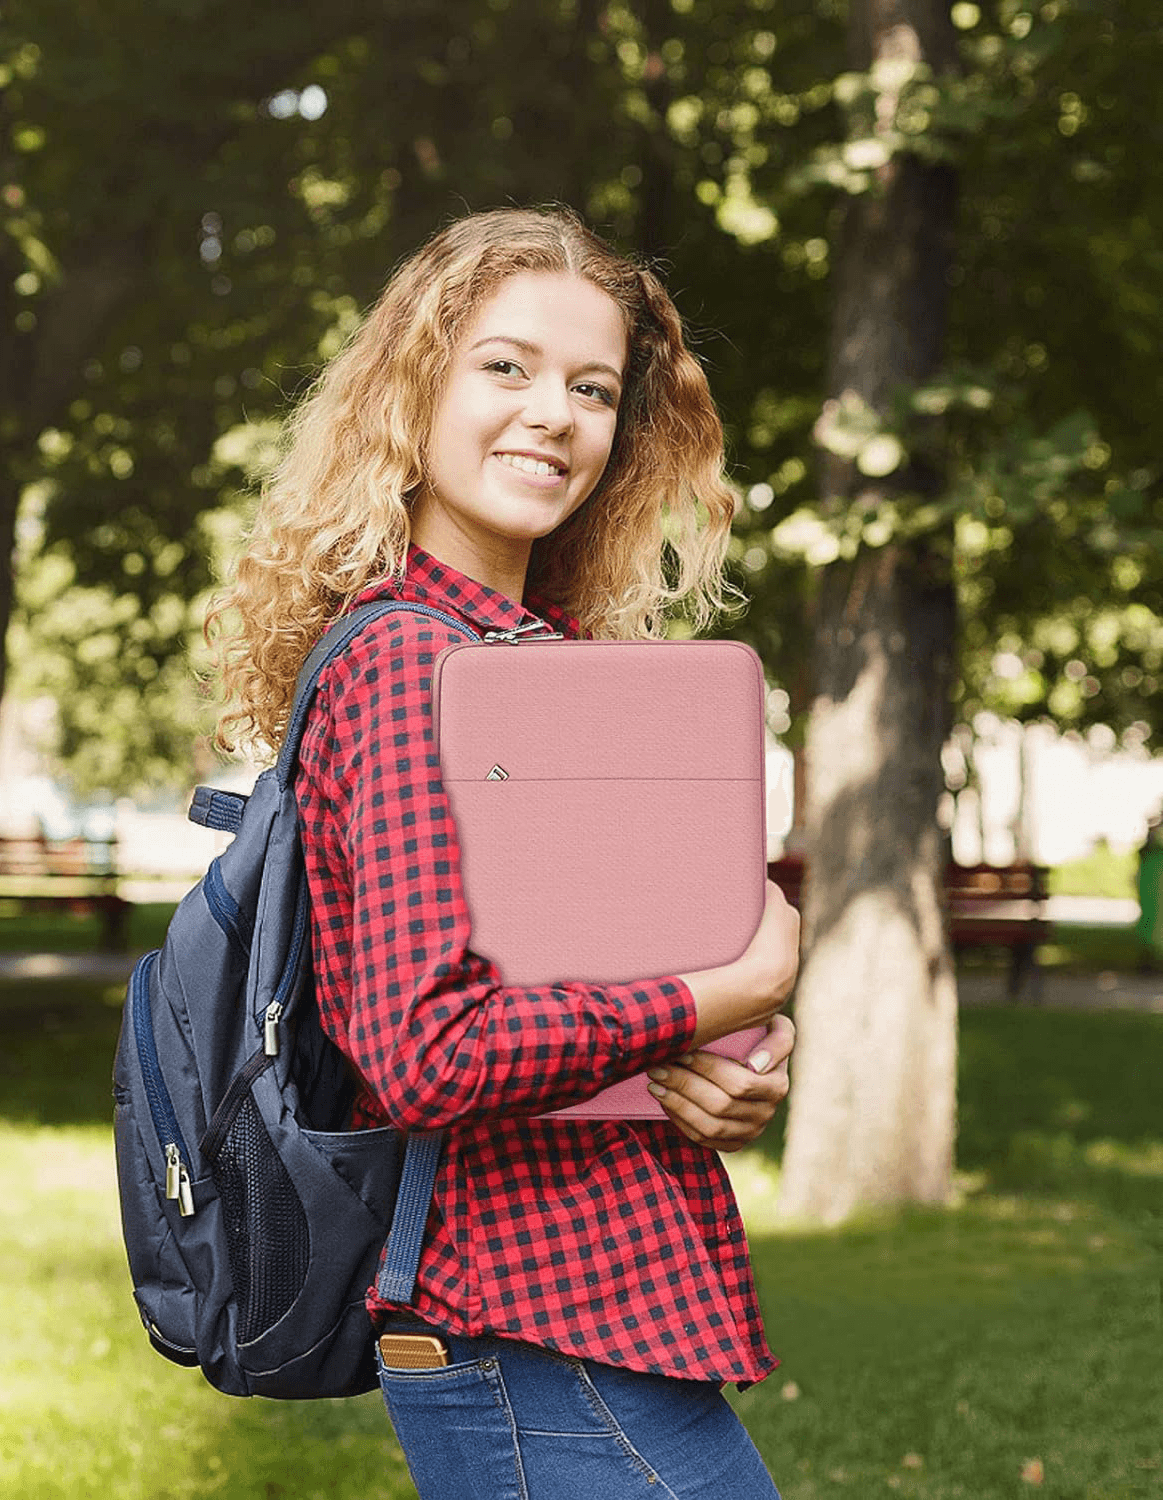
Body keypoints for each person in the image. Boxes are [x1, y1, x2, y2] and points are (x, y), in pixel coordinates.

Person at [207, 206, 801, 1499]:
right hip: (525, 1312)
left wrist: (726, 1062)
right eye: (508, 367)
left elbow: (594, 984)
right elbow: (425, 1050)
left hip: (594, 1298)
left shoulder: (535, 662)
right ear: (419, 389)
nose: (556, 413)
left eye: (593, 389)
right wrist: (720, 997)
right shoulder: (414, 665)